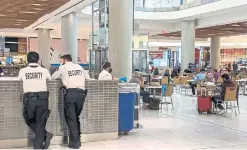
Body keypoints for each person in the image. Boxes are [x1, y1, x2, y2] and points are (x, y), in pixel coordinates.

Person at [52, 54, 90, 149]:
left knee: (71, 118)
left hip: (71, 94)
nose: (61, 62)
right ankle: (78, 140)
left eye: (61, 60)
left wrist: (62, 76)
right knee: (75, 117)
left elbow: (53, 76)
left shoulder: (63, 67)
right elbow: (88, 77)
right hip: (81, 94)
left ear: (64, 60)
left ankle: (75, 143)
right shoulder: (79, 67)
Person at [18, 52, 53, 149]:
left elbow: (19, 79)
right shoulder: (44, 70)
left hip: (29, 98)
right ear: (38, 60)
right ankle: (43, 137)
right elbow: (50, 78)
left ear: (27, 60)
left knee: (28, 119)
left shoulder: (23, 71)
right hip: (42, 98)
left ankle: (42, 140)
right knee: (41, 122)